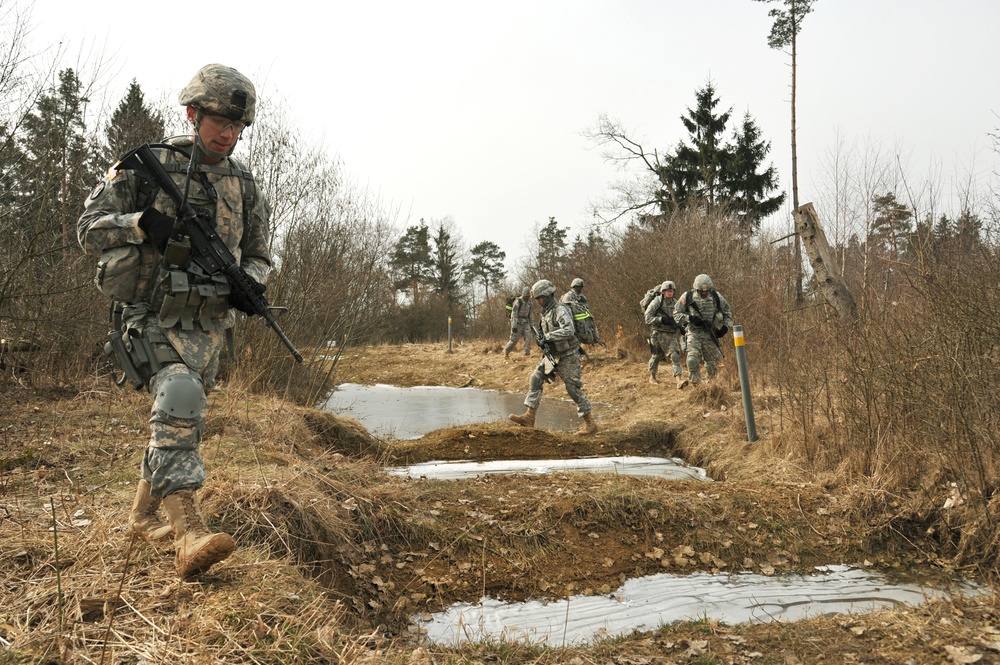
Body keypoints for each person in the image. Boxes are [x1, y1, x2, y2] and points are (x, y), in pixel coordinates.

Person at [78, 64, 271, 579]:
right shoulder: (145, 167)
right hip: (147, 315)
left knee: (179, 421)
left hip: (207, 327)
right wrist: (139, 224)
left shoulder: (243, 183)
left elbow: (258, 254)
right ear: (192, 113)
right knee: (179, 398)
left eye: (237, 126)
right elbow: (87, 229)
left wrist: (250, 285)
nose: (227, 134)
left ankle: (142, 518)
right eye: (219, 122)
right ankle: (189, 536)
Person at [509, 279, 597, 435]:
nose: (537, 302)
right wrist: (542, 340)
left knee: (573, 389)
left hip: (569, 355)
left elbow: (568, 330)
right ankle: (530, 417)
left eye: (539, 298)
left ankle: (590, 424)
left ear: (548, 296)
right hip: (554, 355)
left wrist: (548, 337)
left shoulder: (560, 310)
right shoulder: (546, 313)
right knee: (536, 377)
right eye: (536, 299)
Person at [673, 274, 734, 387]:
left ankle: (710, 387)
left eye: (706, 292)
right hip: (693, 332)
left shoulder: (717, 297)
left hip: (709, 334)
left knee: (712, 364)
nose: (704, 294)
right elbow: (676, 313)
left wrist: (725, 328)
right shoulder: (688, 296)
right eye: (701, 292)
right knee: (692, 359)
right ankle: (696, 385)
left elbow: (728, 313)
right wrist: (690, 318)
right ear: (697, 289)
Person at [644, 280, 687, 389]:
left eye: (671, 291)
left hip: (671, 334)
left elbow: (681, 316)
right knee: (656, 356)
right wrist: (661, 319)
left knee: (675, 355)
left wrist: (682, 327)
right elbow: (647, 318)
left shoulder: (676, 303)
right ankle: (652, 376)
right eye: (668, 291)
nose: (669, 293)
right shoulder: (656, 302)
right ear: (663, 292)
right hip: (657, 333)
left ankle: (679, 380)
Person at [503, 286, 534, 359]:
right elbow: (514, 314)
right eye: (527, 295)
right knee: (514, 340)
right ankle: (506, 351)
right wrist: (514, 326)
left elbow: (531, 314)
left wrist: (532, 325)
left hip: (526, 322)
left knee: (528, 337)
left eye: (529, 295)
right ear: (524, 294)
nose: (528, 296)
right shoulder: (518, 301)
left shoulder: (530, 302)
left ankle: (527, 354)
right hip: (517, 322)